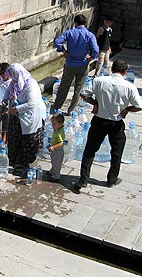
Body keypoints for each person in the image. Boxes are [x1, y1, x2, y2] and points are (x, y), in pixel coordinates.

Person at [74, 59, 142, 193]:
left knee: (90, 150)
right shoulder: (129, 87)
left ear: (112, 69)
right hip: (116, 123)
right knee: (116, 152)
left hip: (99, 120)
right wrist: (126, 109)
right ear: (125, 72)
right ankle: (112, 179)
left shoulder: (99, 81)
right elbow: (139, 106)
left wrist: (95, 103)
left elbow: (83, 93)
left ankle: (83, 179)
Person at [5, 63, 46, 177]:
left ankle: (24, 164)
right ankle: (14, 161)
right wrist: (5, 99)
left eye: (13, 75)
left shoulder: (30, 85)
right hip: (16, 114)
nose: (12, 78)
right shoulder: (14, 82)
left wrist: (17, 109)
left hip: (30, 116)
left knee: (27, 140)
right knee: (14, 136)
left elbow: (31, 104)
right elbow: (8, 91)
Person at [53, 14, 99, 114]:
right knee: (78, 89)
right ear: (85, 24)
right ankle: (71, 110)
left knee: (64, 87)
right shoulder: (90, 35)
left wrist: (63, 51)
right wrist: (91, 57)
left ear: (75, 23)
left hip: (70, 64)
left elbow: (57, 42)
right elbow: (96, 50)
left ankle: (56, 107)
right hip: (83, 64)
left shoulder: (69, 33)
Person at [0, 62, 11, 143]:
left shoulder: (11, 82)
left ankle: (5, 138)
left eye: (4, 73)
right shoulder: (1, 80)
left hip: (6, 105)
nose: (2, 75)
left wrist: (8, 106)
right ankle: (1, 135)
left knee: (6, 121)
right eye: (1, 73)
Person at [48, 113, 65, 182]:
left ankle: (56, 176)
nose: (52, 126)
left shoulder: (60, 133)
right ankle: (52, 170)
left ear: (60, 124)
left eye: (54, 124)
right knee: (53, 161)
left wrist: (53, 147)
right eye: (52, 124)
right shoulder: (57, 130)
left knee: (57, 163)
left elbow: (61, 143)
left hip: (58, 151)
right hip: (55, 150)